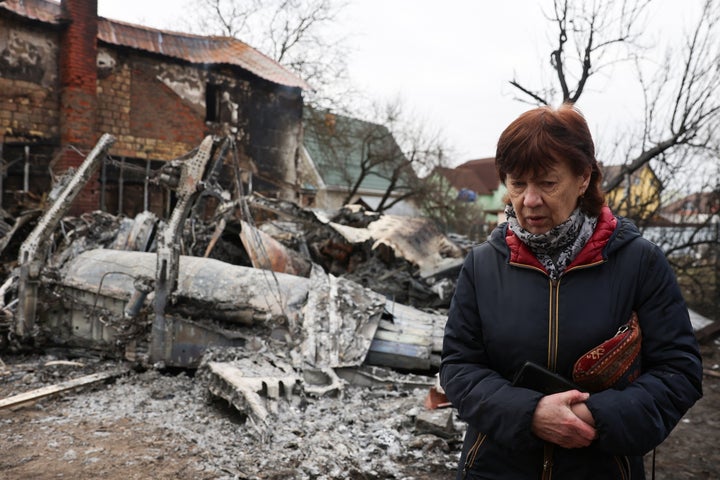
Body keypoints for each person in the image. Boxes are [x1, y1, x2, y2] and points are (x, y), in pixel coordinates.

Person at [440, 103, 703, 480]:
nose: (529, 200)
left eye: (547, 183)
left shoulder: (639, 263)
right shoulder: (483, 265)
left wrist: (595, 415)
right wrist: (529, 414)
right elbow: (458, 367)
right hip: (495, 469)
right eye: (517, 183)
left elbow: (679, 372)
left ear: (583, 178)